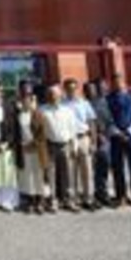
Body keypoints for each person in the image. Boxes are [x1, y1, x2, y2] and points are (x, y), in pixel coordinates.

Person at [107, 74, 131, 208]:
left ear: (124, 83)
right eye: (115, 82)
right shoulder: (107, 99)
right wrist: (117, 132)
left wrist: (128, 131)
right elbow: (107, 119)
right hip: (115, 138)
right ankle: (121, 195)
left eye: (120, 81)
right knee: (118, 168)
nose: (118, 84)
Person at [39, 85, 77, 213]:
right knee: (51, 174)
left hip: (65, 145)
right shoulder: (42, 110)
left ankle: (68, 200)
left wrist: (74, 146)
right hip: (50, 145)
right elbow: (39, 130)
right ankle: (53, 200)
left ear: (60, 96)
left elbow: (73, 129)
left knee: (68, 174)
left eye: (55, 94)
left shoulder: (68, 111)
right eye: (50, 94)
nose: (53, 96)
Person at [61, 78, 97, 211]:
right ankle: (72, 199)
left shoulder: (85, 103)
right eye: (69, 88)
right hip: (69, 140)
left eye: (74, 88)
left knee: (86, 170)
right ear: (65, 89)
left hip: (83, 138)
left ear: (77, 89)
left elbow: (92, 123)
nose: (72, 91)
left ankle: (88, 198)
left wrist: (93, 142)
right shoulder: (61, 104)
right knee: (70, 171)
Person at [13, 92, 48, 214]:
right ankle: (31, 200)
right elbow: (17, 134)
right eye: (23, 101)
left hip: (37, 150)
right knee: (27, 176)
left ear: (31, 102)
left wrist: (31, 144)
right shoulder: (19, 116)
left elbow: (42, 134)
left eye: (28, 101)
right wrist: (20, 146)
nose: (25, 103)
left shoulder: (38, 114)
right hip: (24, 150)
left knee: (38, 175)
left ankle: (40, 201)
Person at [86, 79, 114, 207]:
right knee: (90, 169)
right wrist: (95, 135)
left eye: (93, 89)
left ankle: (102, 193)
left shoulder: (103, 103)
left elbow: (109, 121)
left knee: (103, 167)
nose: (91, 91)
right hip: (89, 140)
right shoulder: (83, 104)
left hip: (104, 141)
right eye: (88, 90)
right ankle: (92, 196)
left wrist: (105, 135)